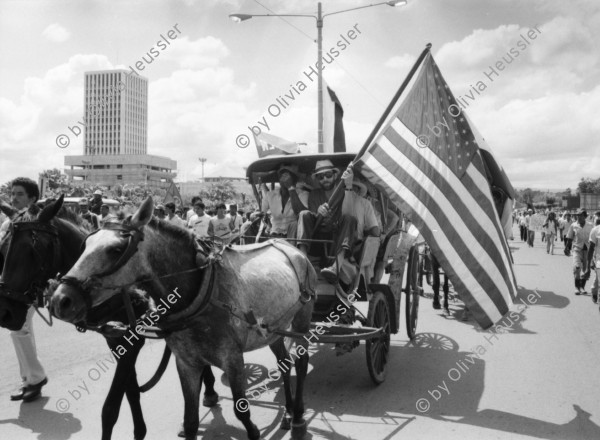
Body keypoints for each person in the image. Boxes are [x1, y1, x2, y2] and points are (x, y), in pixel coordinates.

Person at [297, 160, 379, 284]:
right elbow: (312, 217)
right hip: (318, 239)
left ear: (335, 175)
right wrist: (319, 213)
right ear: (317, 179)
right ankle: (302, 261)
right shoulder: (314, 194)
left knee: (349, 219)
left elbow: (348, 214)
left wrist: (349, 186)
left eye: (328, 175)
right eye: (321, 177)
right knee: (303, 214)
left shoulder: (345, 194)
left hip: (337, 239)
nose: (325, 179)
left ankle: (337, 265)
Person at [4, 178, 48, 402]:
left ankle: (36, 378)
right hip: (10, 286)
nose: (14, 198)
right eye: (12, 193)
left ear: (32, 199)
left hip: (27, 288)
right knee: (22, 331)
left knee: (18, 328)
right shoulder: (8, 223)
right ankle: (29, 379)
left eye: (20, 194)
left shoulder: (37, 224)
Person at [260, 164, 309, 238]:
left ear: (294, 179)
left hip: (294, 236)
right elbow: (262, 212)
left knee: (294, 225)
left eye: (287, 176)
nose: (284, 179)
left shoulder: (303, 194)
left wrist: (290, 187)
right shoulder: (270, 195)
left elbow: (301, 215)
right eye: (282, 176)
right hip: (274, 234)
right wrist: (255, 215)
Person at [566, 209, 593, 295]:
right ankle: (577, 287)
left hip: (588, 251)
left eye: (580, 215)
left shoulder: (590, 226)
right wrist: (567, 247)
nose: (578, 217)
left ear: (585, 216)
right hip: (577, 249)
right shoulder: (573, 225)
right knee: (577, 267)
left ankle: (582, 287)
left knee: (585, 270)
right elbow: (570, 237)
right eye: (577, 215)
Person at [584, 212, 600, 304]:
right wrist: (589, 263)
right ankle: (594, 291)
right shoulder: (595, 230)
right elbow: (591, 248)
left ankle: (594, 290)